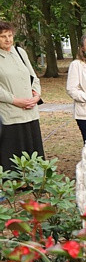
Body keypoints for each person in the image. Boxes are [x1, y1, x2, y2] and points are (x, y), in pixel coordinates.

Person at [0, 20, 44, 171]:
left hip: (30, 112)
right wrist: (15, 100)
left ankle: (35, 179)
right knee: (13, 156)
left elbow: (34, 77)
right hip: (10, 114)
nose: (7, 39)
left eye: (10, 35)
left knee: (33, 153)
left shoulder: (20, 52)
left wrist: (36, 95)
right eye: (3, 36)